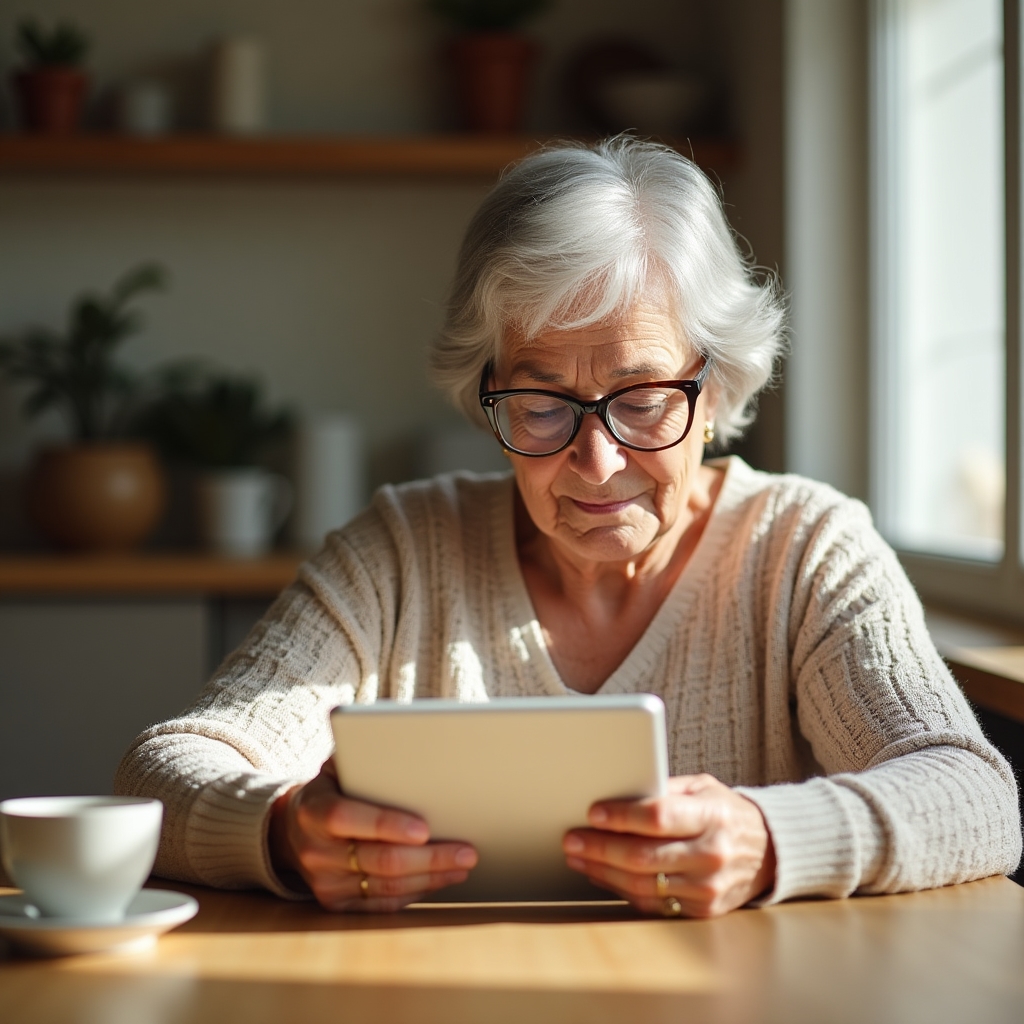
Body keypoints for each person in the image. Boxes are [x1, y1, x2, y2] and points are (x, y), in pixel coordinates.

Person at [115, 138, 1021, 918]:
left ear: (713, 391)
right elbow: (163, 772)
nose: (596, 460)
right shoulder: (402, 553)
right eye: (543, 404)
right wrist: (282, 831)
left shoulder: (805, 550)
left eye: (643, 399)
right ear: (487, 393)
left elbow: (976, 795)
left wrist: (771, 839)